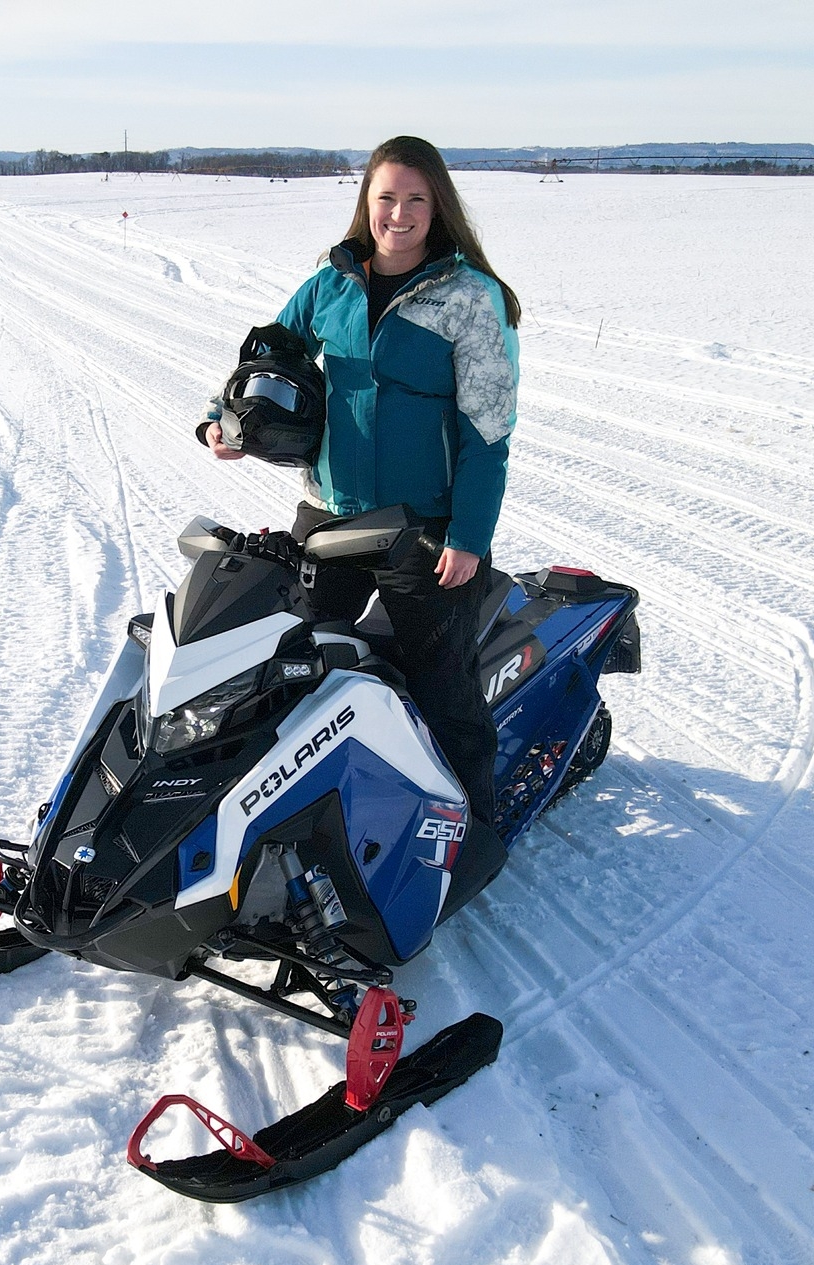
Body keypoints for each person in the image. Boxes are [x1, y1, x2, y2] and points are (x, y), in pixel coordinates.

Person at [200, 135, 521, 824]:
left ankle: (476, 825)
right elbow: (268, 355)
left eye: (415, 200)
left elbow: (488, 432)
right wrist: (222, 422)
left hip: (425, 529)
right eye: (386, 198)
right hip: (331, 517)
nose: (398, 214)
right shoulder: (330, 283)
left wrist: (467, 536)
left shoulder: (469, 298)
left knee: (442, 688)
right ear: (365, 202)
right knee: (289, 670)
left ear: (438, 207)